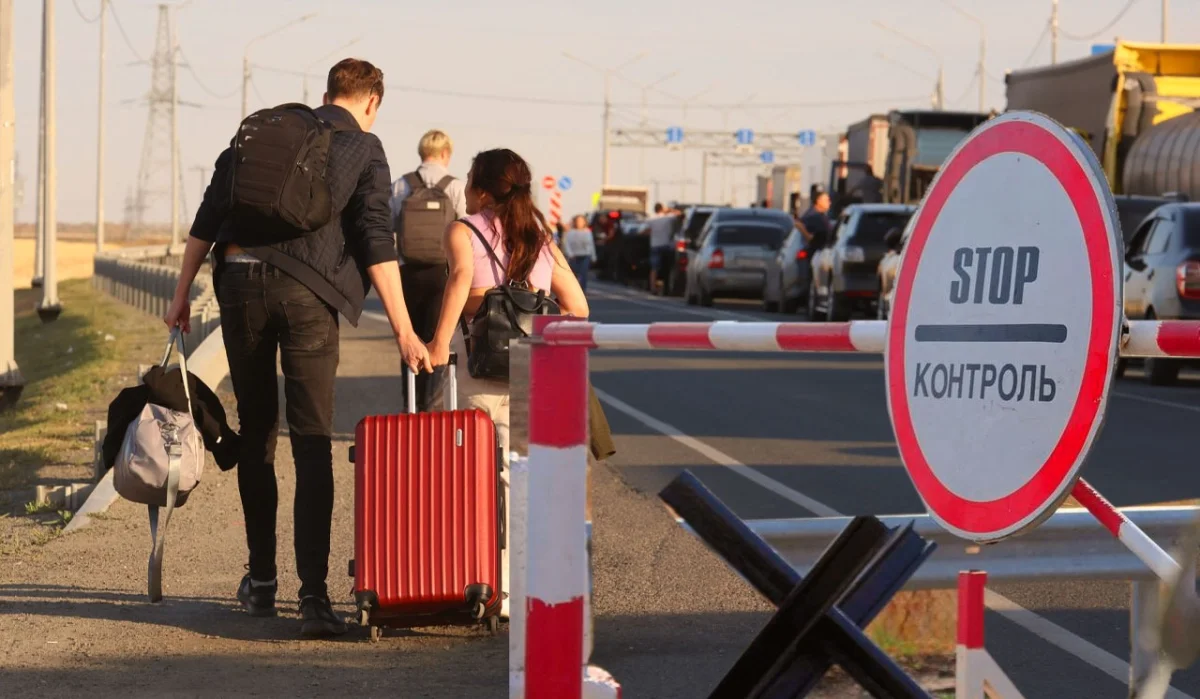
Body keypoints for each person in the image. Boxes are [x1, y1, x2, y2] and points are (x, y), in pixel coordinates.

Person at [163, 58, 431, 638]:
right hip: (308, 296)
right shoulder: (364, 146)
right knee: (311, 442)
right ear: (371, 102)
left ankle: (261, 582)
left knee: (258, 431)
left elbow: (204, 223)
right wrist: (406, 330)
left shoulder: (262, 135)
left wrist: (182, 296)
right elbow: (375, 238)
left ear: (327, 91)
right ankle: (313, 597)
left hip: (237, 287)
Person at [425, 148, 589, 463]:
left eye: (470, 181)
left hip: (479, 357)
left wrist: (439, 344)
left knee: (469, 464)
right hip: (532, 367)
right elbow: (578, 307)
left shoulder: (463, 229)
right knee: (519, 469)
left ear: (482, 192)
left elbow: (460, 280)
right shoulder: (540, 237)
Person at [389, 129, 468, 413]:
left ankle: (410, 404)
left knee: (409, 339)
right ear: (446, 153)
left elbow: (386, 227)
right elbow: (467, 230)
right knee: (439, 342)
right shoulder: (455, 187)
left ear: (422, 153)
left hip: (407, 273)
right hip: (442, 275)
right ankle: (430, 409)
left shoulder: (401, 185)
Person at [646, 202, 679, 295]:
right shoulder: (669, 218)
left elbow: (647, 230)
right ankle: (667, 288)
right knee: (668, 268)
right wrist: (669, 210)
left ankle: (653, 288)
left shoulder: (651, 219)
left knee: (654, 268)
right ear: (662, 209)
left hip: (655, 245)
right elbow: (680, 214)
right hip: (667, 245)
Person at [562, 214, 597, 291]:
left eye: (581, 221)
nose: (579, 223)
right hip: (574, 256)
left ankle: (583, 290)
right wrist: (570, 254)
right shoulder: (570, 232)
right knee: (573, 274)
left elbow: (591, 244)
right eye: (578, 221)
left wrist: (594, 256)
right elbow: (566, 244)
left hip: (585, 255)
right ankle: (573, 290)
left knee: (583, 273)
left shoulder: (587, 232)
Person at [799, 191, 834, 257]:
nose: (829, 203)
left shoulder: (820, 215)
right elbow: (811, 237)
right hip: (816, 255)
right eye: (827, 200)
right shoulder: (814, 216)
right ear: (818, 201)